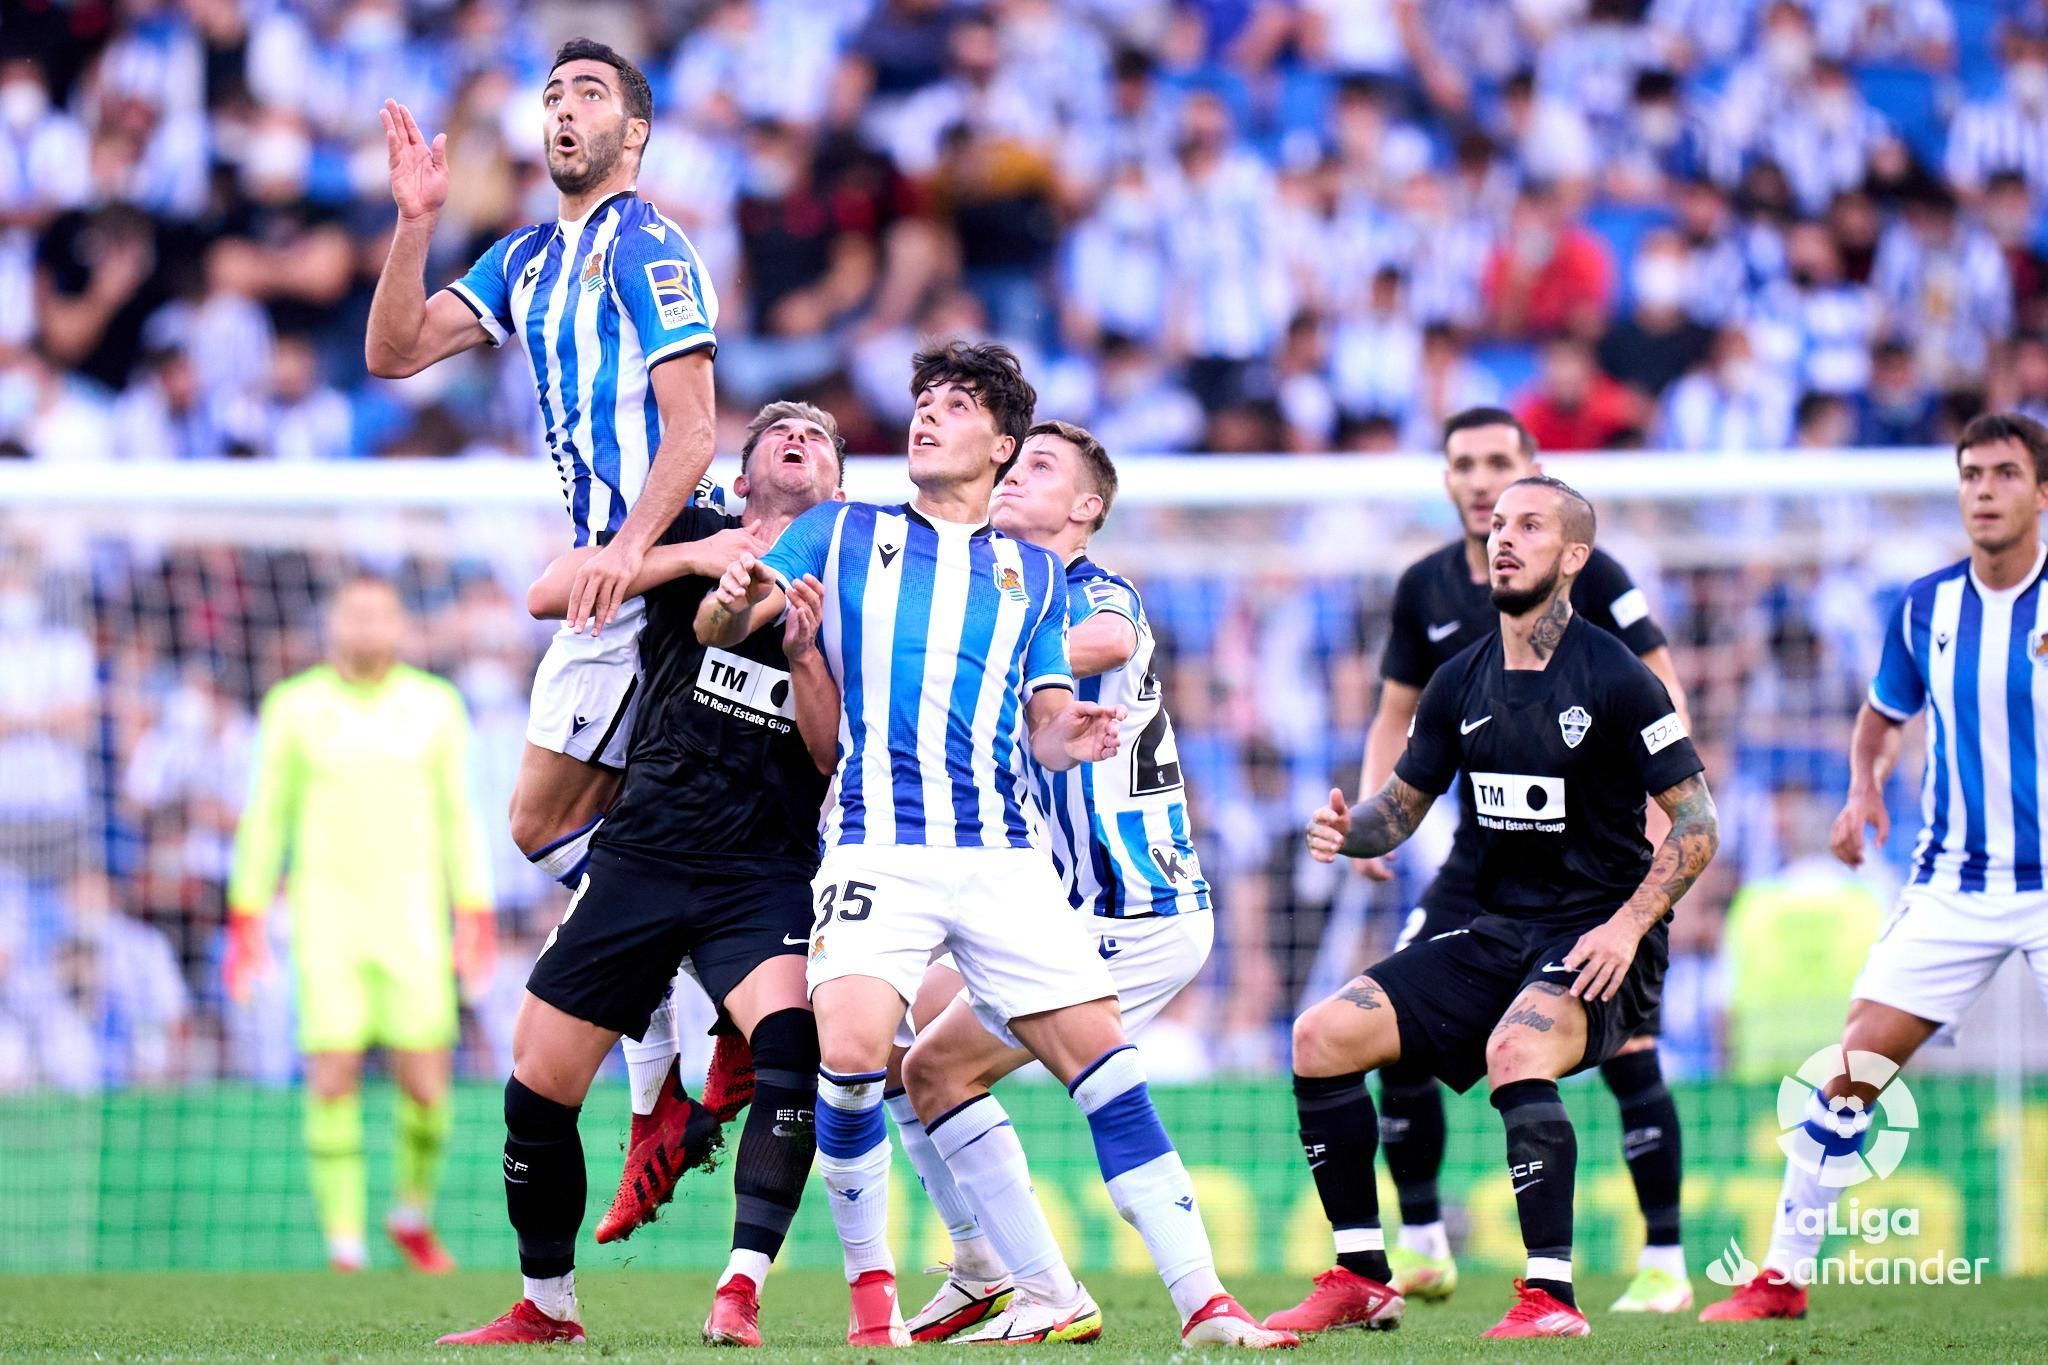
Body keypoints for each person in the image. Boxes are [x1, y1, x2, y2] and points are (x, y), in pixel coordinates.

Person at [697, 343, 1292, 1349]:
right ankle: (874, 1309)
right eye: (923, 399)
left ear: (1000, 446)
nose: (927, 415)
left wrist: (1073, 735)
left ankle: (1205, 1306)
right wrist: (730, 608)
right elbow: (730, 619)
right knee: (853, 1060)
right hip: (876, 845)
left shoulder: (1038, 580)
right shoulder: (838, 532)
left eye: (957, 404)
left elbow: (1048, 717)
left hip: (1006, 859)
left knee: (1106, 1070)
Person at [362, 37, 746, 1237]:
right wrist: (414, 221)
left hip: (664, 556)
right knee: (560, 830)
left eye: (585, 94)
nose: (560, 112)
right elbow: (393, 351)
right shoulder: (526, 256)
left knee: (552, 826)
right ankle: (695, 1031)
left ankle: (703, 1044)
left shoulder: (653, 246)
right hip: (609, 567)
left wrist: (633, 554)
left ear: (632, 132)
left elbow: (692, 431)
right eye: (549, 96)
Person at [1269, 475, 1718, 1340]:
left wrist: (1629, 925)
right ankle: (1365, 1275)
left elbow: (1699, 822)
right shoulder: (1457, 681)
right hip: (1495, 927)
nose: (1503, 537)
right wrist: (1345, 829)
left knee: (1518, 1049)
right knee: (1319, 1036)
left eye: (1530, 525)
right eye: (1499, 524)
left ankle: (1551, 1296)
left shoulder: (1620, 679)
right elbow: (1397, 811)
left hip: (1597, 937)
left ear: (1573, 556)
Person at [436, 402, 846, 1347]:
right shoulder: (695, 530)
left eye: (819, 437)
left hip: (765, 866)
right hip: (646, 849)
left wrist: (803, 656)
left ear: (841, 486)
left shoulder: (863, 575)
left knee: (797, 1047)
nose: (798, 439)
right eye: (778, 434)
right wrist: (691, 560)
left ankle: (740, 1288)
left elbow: (830, 756)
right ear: (740, 481)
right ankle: (549, 1302)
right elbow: (553, 589)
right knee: (535, 1082)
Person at [828, 422, 1217, 1343]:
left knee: (936, 1066)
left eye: (1041, 467)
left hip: (1137, 907)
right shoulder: (1005, 594)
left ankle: (1041, 1284)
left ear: (1086, 509)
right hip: (1057, 900)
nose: (1014, 477)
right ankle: (983, 1268)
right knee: (897, 1033)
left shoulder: (1088, 589)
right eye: (1018, 460)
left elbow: (1110, 637)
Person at [1701, 412, 2048, 1322]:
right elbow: (1883, 714)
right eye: (1971, 474)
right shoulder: (1926, 606)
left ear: (2041, 493)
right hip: (1957, 883)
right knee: (1850, 1067)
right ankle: (1779, 1275)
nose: (1984, 490)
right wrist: (1862, 789)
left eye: (2005, 474)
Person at [225, 576, 495, 1274]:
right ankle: (344, 1245)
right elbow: (266, 814)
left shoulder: (434, 707)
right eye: (356, 613)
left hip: (411, 922)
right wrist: (246, 911)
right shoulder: (294, 707)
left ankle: (410, 1212)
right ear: (333, 625)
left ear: (402, 626)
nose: (369, 625)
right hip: (327, 924)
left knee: (428, 1088)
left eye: (382, 613)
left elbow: (457, 815)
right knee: (333, 1073)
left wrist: (475, 909)